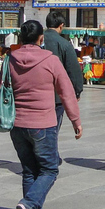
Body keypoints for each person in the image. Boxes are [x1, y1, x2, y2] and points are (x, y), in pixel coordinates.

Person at [0, 20, 82, 209]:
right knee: (49, 169)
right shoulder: (51, 60)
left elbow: (0, 90)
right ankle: (29, 204)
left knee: (29, 170)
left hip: (17, 125)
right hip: (43, 124)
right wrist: (75, 120)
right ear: (41, 38)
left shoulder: (9, 59)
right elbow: (66, 92)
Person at [43, 12, 84, 141]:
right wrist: (77, 92)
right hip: (56, 96)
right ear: (61, 26)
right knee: (52, 130)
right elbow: (74, 70)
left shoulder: (37, 40)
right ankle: (49, 157)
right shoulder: (64, 43)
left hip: (31, 93)